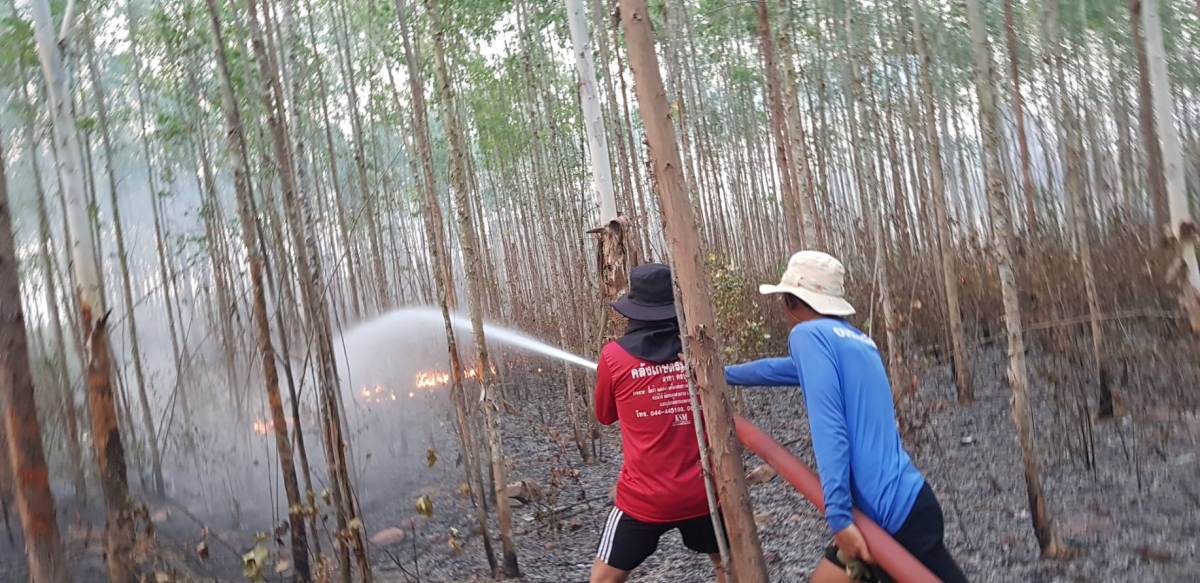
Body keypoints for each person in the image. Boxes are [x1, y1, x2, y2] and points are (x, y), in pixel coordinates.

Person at [725, 251, 967, 583]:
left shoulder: (807, 335)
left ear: (792, 301)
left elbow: (830, 429)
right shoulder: (856, 341)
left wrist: (838, 519)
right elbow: (778, 370)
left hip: (888, 517)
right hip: (908, 502)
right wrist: (720, 373)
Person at [590, 263, 726, 583]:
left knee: (601, 578)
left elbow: (604, 415)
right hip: (703, 491)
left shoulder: (613, 357)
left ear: (633, 312)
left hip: (643, 500)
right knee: (726, 564)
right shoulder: (696, 354)